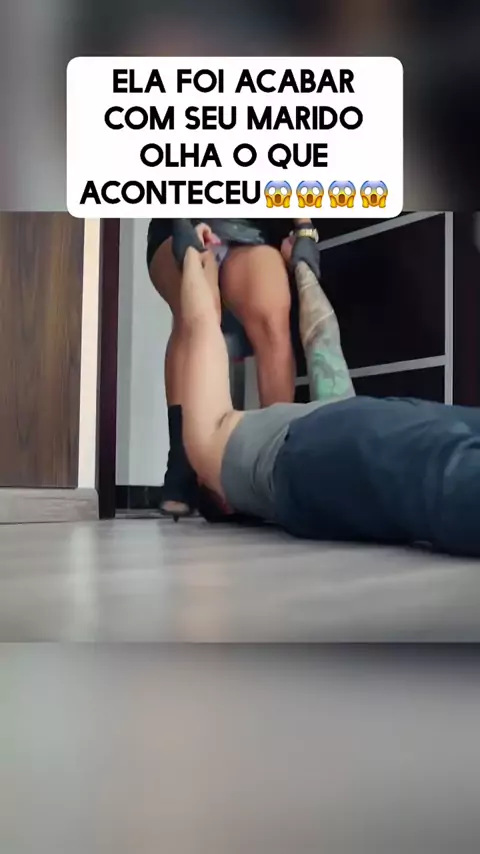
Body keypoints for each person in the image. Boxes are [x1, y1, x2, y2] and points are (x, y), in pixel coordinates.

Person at [173, 217, 480, 558]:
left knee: (444, 458)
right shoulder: (214, 457)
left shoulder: (302, 433)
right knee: (445, 469)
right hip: (314, 447)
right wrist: (194, 256)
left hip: (345, 426)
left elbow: (321, 341)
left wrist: (300, 266)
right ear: (224, 502)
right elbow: (201, 322)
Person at [147, 218, 298, 518]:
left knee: (272, 314)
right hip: (180, 222)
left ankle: (275, 460)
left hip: (249, 232)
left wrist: (304, 229)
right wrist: (181, 223)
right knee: (196, 308)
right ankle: (183, 463)